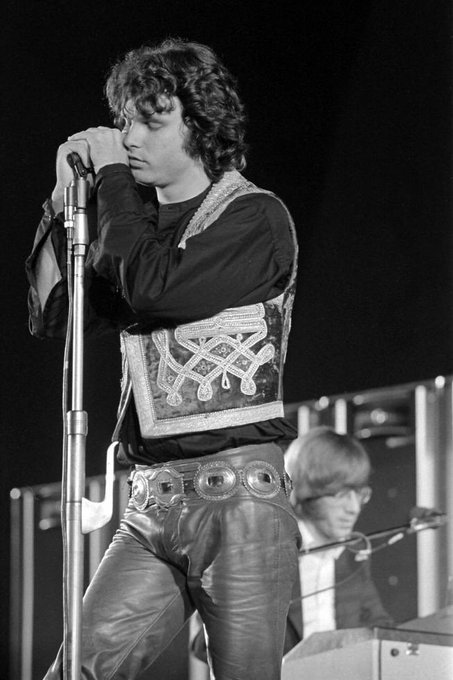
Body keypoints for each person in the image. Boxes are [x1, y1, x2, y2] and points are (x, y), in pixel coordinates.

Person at [26, 38, 301, 680]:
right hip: (149, 504)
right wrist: (63, 202)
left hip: (238, 502)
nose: (130, 138)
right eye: (125, 121)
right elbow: (56, 316)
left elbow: (157, 286)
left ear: (200, 126)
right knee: (79, 670)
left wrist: (117, 188)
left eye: (152, 120)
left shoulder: (255, 218)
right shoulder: (133, 233)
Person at [283, 426, 393, 652]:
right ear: (305, 490)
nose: (353, 508)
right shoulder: (269, 553)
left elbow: (380, 627)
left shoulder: (354, 557)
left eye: (359, 494)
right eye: (341, 494)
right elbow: (204, 645)